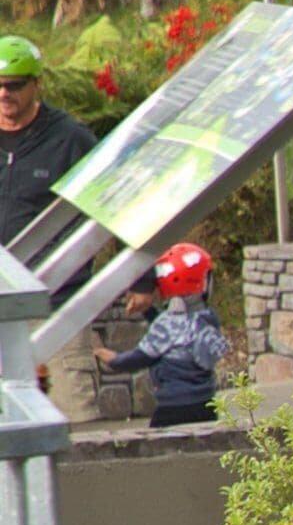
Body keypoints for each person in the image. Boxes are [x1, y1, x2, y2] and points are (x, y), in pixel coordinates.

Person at [101, 242, 225, 428]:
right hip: (206, 403)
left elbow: (144, 356)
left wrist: (115, 361)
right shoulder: (207, 318)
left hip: (173, 405)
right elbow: (177, 332)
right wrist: (149, 311)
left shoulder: (167, 325)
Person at [0, 35, 97, 249]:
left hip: (49, 276)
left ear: (37, 83)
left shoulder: (70, 139)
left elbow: (108, 203)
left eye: (14, 85)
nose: (3, 94)